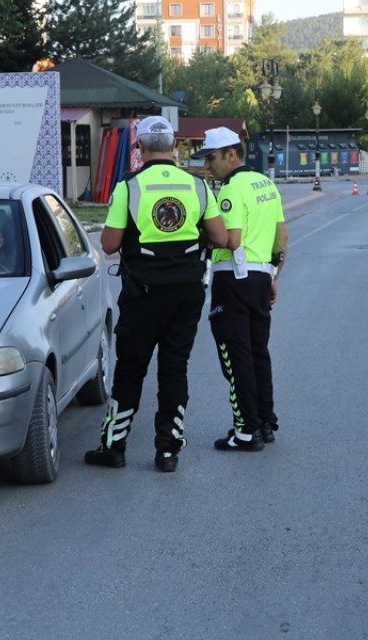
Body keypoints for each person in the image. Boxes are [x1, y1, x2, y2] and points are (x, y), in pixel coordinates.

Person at [84, 116, 230, 473]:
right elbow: (222, 238)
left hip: (143, 294)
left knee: (131, 369)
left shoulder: (128, 187)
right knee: (174, 368)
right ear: (175, 148)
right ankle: (168, 450)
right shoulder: (197, 186)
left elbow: (109, 244)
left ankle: (114, 447)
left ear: (140, 148)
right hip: (186, 294)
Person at [193, 126, 288, 452]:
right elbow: (282, 239)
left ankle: (245, 430)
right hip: (261, 277)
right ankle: (264, 421)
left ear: (231, 154)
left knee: (236, 356)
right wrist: (273, 276)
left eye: (212, 157)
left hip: (233, 279)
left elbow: (230, 240)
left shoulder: (231, 189)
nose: (209, 165)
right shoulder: (266, 184)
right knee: (258, 352)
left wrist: (205, 231)